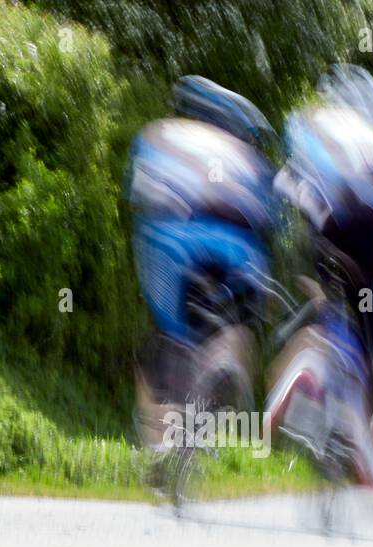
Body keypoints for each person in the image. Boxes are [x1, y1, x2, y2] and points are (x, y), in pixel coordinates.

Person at [264, 66, 373, 485]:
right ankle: (361, 446)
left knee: (325, 312)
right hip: (364, 230)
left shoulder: (312, 121)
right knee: (368, 339)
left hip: (313, 224)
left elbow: (283, 179)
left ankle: (309, 372)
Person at [128, 76, 277, 454]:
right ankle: (222, 366)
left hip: (173, 239)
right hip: (237, 247)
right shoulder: (250, 157)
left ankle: (160, 446)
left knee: (166, 341)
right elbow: (269, 220)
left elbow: (142, 195)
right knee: (236, 324)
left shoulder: (160, 133)